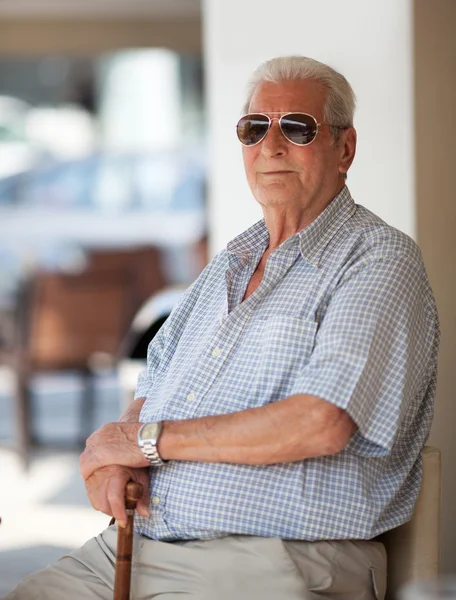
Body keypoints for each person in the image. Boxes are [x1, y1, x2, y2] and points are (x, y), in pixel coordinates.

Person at [7, 56, 439, 600]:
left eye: (297, 128)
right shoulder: (228, 263)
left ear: (344, 149)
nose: (271, 145)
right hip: (138, 546)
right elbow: (155, 384)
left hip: (273, 558)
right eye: (254, 128)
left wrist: (147, 443)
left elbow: (321, 422)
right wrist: (116, 460)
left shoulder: (377, 260)